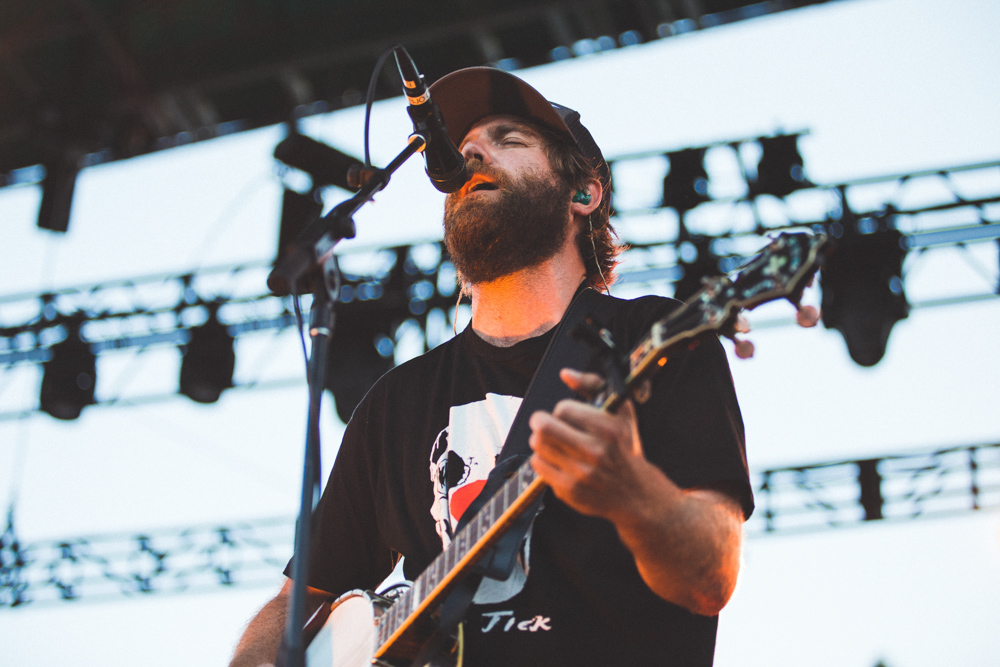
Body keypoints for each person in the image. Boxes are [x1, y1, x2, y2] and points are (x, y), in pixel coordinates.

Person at [230, 67, 752, 667]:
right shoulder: (398, 403)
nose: (471, 152)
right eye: (465, 146)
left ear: (583, 195)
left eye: (509, 140)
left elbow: (711, 578)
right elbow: (298, 602)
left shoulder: (652, 338)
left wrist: (632, 494)